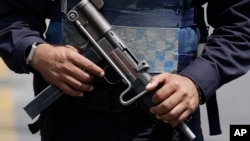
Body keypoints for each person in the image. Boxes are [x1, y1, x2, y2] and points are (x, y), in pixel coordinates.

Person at [0, 0, 250, 141]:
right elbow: (10, 16)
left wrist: (196, 81)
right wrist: (35, 53)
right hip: (73, 121)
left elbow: (241, 24)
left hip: (165, 124)